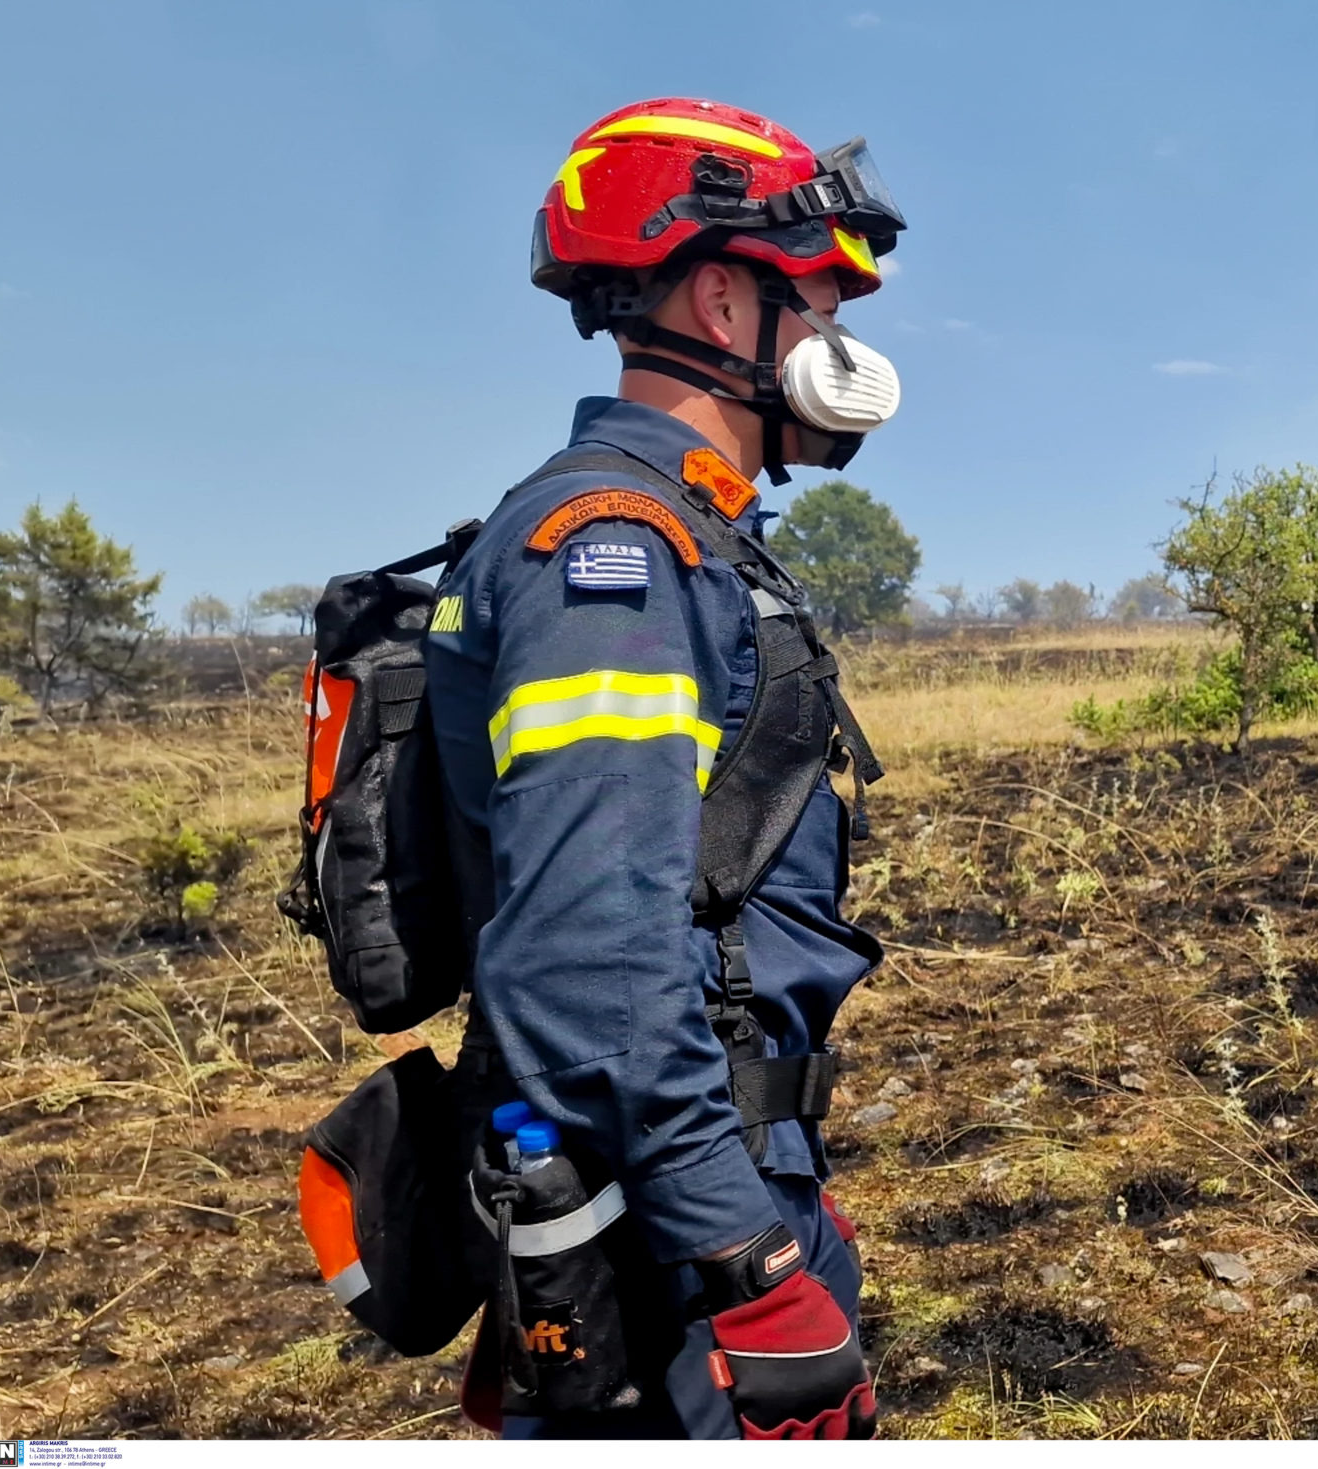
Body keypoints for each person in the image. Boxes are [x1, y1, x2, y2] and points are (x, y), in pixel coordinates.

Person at [421, 97, 906, 1439]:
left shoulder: (687, 533)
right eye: (812, 303)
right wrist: (748, 1261)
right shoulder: (614, 550)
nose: (834, 344)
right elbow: (589, 959)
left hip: (701, 1185)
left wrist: (784, 1172)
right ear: (713, 294)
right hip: (671, 1248)